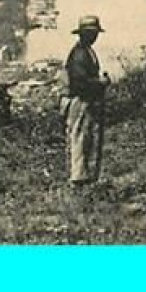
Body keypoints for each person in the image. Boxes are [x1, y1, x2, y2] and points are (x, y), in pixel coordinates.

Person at [63, 14, 109, 188]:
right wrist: (100, 83)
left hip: (87, 101)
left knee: (87, 137)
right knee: (80, 138)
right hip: (80, 101)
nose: (95, 36)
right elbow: (80, 83)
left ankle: (85, 176)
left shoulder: (86, 51)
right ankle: (78, 178)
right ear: (84, 34)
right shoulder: (79, 55)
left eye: (95, 33)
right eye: (92, 33)